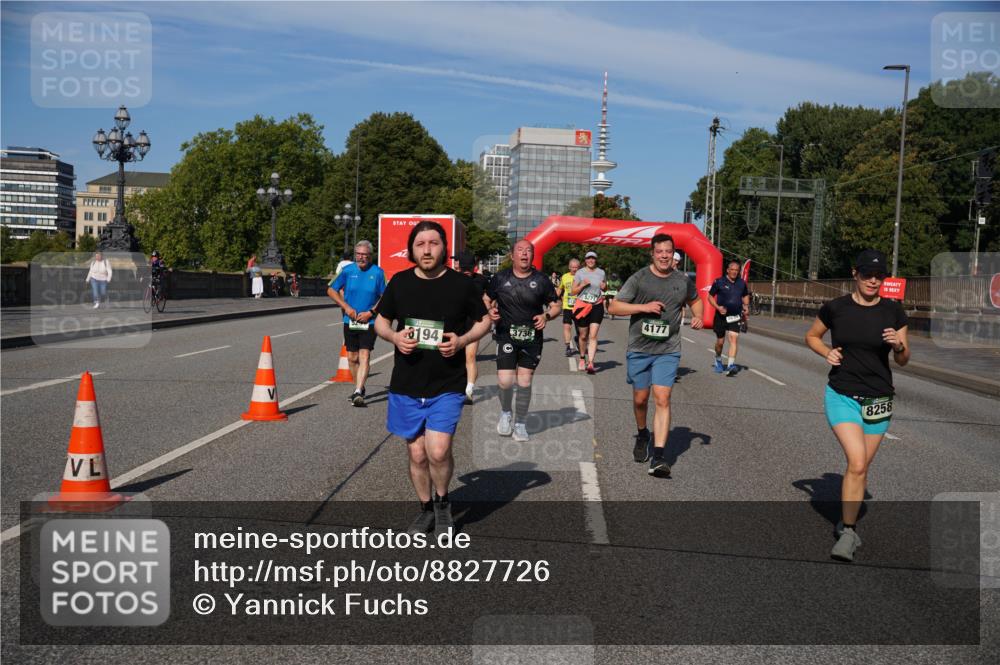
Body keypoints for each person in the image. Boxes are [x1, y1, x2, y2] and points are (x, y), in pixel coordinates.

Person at [374, 221, 491, 537]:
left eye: (434, 243)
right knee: (416, 453)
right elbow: (380, 323)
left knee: (438, 451)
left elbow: (484, 323)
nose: (427, 249)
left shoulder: (461, 285)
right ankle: (425, 508)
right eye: (420, 244)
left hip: (446, 383)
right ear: (412, 249)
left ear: (444, 248)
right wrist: (395, 338)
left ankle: (442, 502)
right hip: (406, 383)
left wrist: (462, 341)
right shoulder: (399, 283)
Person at [805, 249, 909, 563]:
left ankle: (845, 521)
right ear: (855, 274)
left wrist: (899, 345)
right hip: (842, 394)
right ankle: (848, 531)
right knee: (858, 462)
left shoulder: (894, 311)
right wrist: (826, 352)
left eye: (879, 276)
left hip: (879, 399)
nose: (873, 280)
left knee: (861, 466)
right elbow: (811, 336)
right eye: (867, 274)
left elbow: (903, 360)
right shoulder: (836, 308)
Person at [607, 234, 704, 478]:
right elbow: (614, 307)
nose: (663, 255)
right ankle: (642, 434)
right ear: (652, 253)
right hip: (640, 348)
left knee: (663, 397)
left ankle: (659, 457)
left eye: (668, 252)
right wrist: (643, 307)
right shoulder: (639, 278)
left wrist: (698, 315)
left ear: (673, 254)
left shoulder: (682, 280)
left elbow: (696, 299)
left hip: (668, 349)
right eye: (659, 251)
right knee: (641, 399)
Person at [485, 240, 561, 442]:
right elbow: (486, 298)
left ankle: (520, 424)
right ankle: (505, 412)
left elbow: (556, 305)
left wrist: (546, 316)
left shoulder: (542, 280)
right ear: (512, 255)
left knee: (524, 381)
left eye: (528, 251)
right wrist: (490, 309)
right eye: (520, 250)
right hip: (505, 334)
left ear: (532, 256)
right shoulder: (500, 278)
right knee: (505, 380)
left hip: (531, 337)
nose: (524, 254)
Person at [328, 240, 387, 407]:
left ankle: (358, 391)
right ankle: (358, 388)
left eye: (365, 255)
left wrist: (371, 312)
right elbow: (331, 290)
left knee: (365, 355)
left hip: (369, 321)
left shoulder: (378, 273)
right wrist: (346, 307)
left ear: (370, 256)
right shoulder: (347, 271)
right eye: (358, 255)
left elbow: (385, 296)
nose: (361, 258)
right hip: (350, 320)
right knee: (352, 358)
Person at [454, 250, 490, 405]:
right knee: (455, 358)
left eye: (457, 262)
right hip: (454, 324)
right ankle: (456, 387)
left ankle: (469, 390)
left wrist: (490, 309)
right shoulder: (451, 279)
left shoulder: (481, 280)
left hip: (474, 324)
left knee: (470, 356)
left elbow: (489, 297)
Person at [708, 259, 750, 377]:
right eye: (732, 270)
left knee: (733, 338)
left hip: (735, 316)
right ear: (727, 270)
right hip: (721, 316)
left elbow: (745, 295)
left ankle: (731, 365)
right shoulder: (719, 281)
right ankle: (718, 359)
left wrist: (746, 306)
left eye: (737, 270)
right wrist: (717, 307)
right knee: (720, 343)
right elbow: (710, 297)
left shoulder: (742, 283)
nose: (734, 272)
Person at [572, 251, 606, 374]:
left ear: (595, 260)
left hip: (597, 305)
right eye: (588, 258)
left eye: (593, 258)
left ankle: (591, 362)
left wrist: (604, 287)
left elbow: (604, 286)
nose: (591, 260)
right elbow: (573, 291)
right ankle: (582, 358)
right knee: (583, 336)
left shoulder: (601, 272)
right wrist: (582, 285)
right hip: (582, 305)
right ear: (585, 260)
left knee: (593, 335)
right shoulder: (580, 273)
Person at [556, 258, 581, 357]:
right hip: (567, 306)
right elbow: (560, 288)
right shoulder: (565, 277)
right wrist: (553, 298)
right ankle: (568, 347)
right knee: (567, 326)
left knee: (580, 330)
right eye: (573, 267)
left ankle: (578, 339)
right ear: (569, 267)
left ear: (579, 268)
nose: (574, 269)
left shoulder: (582, 277)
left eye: (576, 267)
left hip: (579, 306)